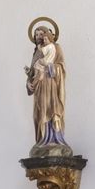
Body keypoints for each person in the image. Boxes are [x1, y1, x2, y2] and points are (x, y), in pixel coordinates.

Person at [24, 22, 67, 150]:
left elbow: (62, 67)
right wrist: (28, 83)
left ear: (47, 35)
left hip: (51, 85)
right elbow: (32, 73)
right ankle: (42, 139)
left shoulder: (55, 47)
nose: (39, 37)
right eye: (36, 35)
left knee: (51, 109)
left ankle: (55, 140)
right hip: (39, 89)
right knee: (39, 113)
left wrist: (51, 68)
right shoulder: (36, 52)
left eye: (41, 34)